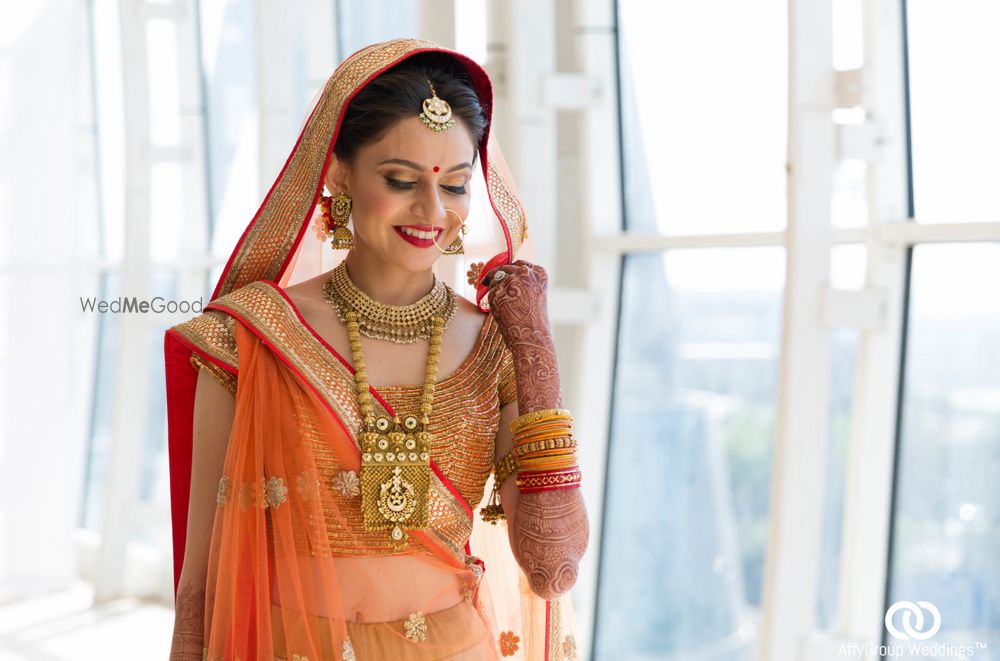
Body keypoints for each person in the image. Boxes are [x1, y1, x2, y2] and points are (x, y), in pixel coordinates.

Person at [164, 38, 589, 660]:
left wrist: (537, 355)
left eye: (455, 185)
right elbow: (201, 578)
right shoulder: (251, 338)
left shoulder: (496, 349)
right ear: (338, 173)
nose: (432, 210)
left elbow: (552, 569)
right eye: (400, 179)